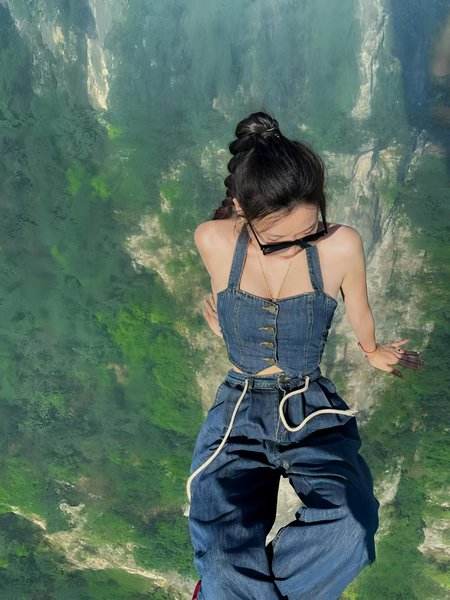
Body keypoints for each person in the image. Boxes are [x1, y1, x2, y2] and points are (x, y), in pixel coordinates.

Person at [186, 111, 423, 600]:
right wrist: (230, 321)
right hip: (238, 407)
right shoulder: (213, 239)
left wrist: (372, 351)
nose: (297, 246)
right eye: (278, 240)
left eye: (309, 230)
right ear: (241, 210)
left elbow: (359, 306)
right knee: (222, 555)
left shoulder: (341, 245)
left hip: (309, 404)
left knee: (352, 526)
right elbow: (222, 288)